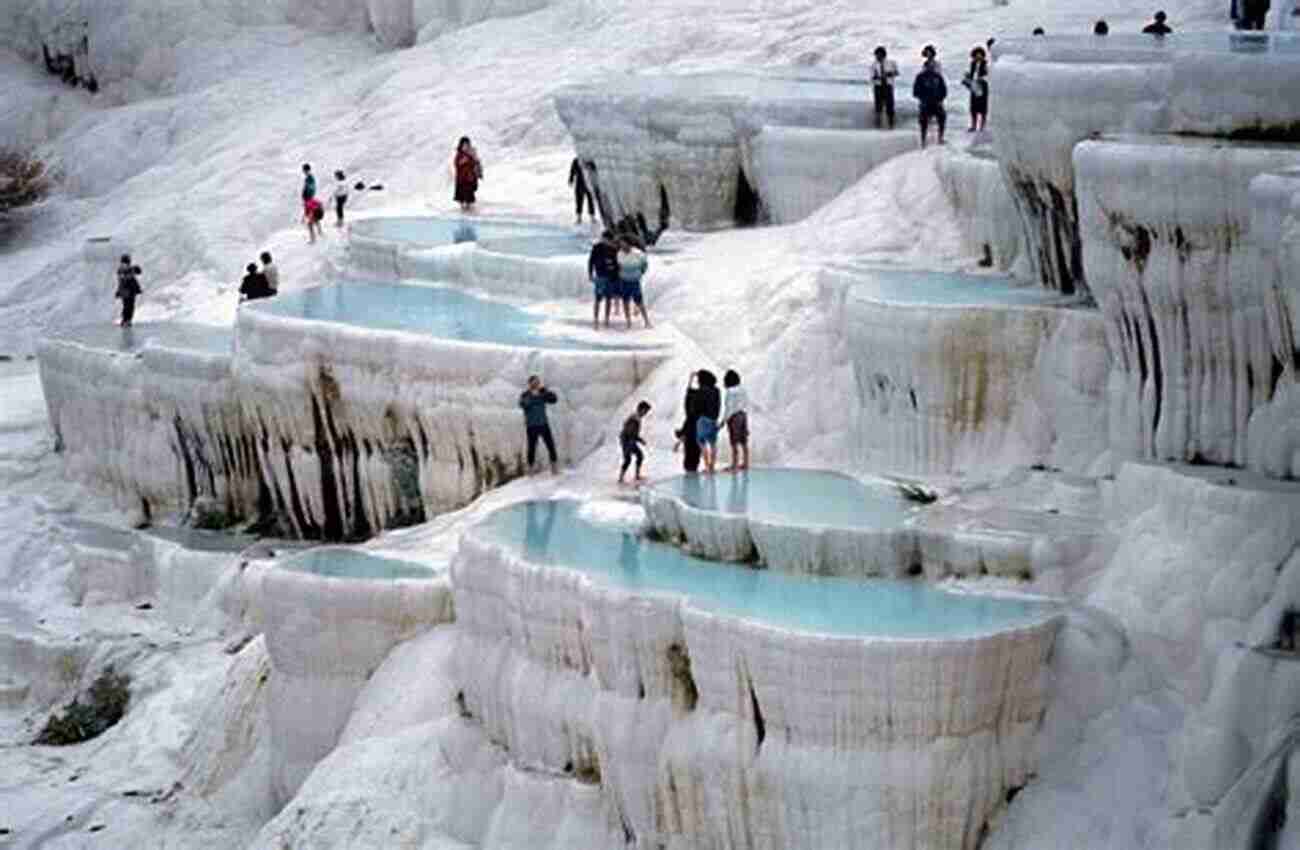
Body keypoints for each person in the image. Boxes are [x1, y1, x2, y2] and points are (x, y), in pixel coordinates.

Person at [518, 375, 559, 475]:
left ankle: (554, 467)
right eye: (534, 382)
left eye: (537, 382)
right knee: (531, 447)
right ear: (530, 384)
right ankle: (530, 468)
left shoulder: (543, 393)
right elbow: (523, 404)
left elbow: (554, 400)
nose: (536, 384)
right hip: (532, 426)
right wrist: (534, 396)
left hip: (543, 424)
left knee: (550, 445)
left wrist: (545, 392)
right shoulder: (525, 394)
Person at [587, 230, 620, 330]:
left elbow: (617, 264)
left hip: (611, 277)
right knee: (598, 299)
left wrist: (617, 277)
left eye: (606, 239)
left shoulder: (614, 249)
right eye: (603, 238)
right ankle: (596, 320)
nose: (604, 240)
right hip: (600, 276)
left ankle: (606, 319)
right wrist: (590, 274)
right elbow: (591, 261)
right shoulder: (596, 247)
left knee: (609, 299)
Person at [617, 238, 652, 329]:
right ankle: (628, 322)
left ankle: (647, 321)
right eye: (621, 244)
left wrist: (640, 273)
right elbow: (619, 265)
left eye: (623, 243)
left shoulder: (638, 253)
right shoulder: (619, 253)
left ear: (629, 244)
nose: (622, 245)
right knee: (625, 301)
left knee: (639, 301)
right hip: (624, 280)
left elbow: (645, 264)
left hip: (634, 281)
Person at [912, 60, 948, 148]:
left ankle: (940, 138)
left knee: (942, 118)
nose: (930, 68)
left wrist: (941, 99)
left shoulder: (938, 76)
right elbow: (915, 91)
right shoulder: (920, 77)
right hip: (925, 103)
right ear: (925, 67)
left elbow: (944, 90)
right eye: (929, 66)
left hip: (937, 102)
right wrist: (922, 99)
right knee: (923, 122)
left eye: (932, 66)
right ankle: (923, 140)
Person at [721, 369, 749, 472]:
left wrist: (723, 421)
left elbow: (729, 408)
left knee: (734, 441)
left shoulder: (730, 391)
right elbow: (746, 402)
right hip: (743, 415)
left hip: (734, 417)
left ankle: (734, 466)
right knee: (744, 440)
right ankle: (745, 463)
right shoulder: (742, 389)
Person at [675, 372, 703, 473]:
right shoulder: (697, 413)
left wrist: (691, 379)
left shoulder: (690, 413)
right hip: (695, 431)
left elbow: (688, 393)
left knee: (690, 451)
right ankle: (692, 468)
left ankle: (690, 468)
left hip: (691, 431)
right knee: (694, 451)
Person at [618, 400, 652, 484]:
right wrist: (639, 440)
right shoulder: (634, 418)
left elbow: (632, 432)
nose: (646, 413)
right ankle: (621, 478)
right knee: (628, 459)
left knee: (639, 456)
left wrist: (639, 440)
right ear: (641, 409)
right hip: (627, 441)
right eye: (646, 411)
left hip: (630, 440)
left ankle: (636, 475)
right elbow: (630, 432)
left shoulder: (636, 417)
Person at [694, 369, 721, 474]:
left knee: (702, 443)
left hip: (703, 419)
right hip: (713, 419)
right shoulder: (716, 390)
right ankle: (712, 466)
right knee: (713, 444)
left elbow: (696, 406)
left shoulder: (701, 390)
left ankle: (707, 467)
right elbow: (718, 405)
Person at [869, 46, 899, 129]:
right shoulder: (874, 65)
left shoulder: (891, 63)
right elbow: (872, 77)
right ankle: (878, 125)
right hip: (878, 86)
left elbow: (896, 72)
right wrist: (878, 76)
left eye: (879, 55)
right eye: (876, 55)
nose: (877, 57)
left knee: (890, 106)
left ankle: (891, 124)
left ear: (883, 55)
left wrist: (889, 74)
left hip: (888, 86)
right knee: (878, 107)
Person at [963, 46, 990, 132]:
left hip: (983, 86)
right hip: (974, 86)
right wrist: (967, 77)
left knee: (983, 107)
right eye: (976, 55)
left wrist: (982, 78)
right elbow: (971, 74)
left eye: (980, 55)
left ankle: (982, 126)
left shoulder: (986, 64)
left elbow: (988, 75)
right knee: (973, 107)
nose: (978, 56)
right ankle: (973, 125)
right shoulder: (972, 64)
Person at [453, 137, 482, 212]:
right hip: (461, 180)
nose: (465, 147)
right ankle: (463, 209)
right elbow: (457, 164)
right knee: (462, 198)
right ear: (461, 146)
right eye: (464, 145)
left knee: (469, 198)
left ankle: (468, 209)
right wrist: (464, 160)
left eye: (467, 145)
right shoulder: (459, 154)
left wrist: (475, 157)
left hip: (470, 179)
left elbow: (477, 163)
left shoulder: (472, 154)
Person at [115, 254, 142, 327]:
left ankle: (126, 320)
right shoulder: (124, 269)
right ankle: (126, 320)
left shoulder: (123, 269)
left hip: (126, 290)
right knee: (129, 305)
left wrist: (133, 270)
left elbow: (138, 271)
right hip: (128, 290)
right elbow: (125, 278)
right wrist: (132, 271)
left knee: (127, 305)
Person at [569, 158, 594, 225]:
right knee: (579, 200)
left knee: (590, 200)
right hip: (580, 183)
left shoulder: (589, 161)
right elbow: (572, 171)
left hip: (588, 183)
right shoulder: (576, 160)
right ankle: (579, 217)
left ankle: (592, 217)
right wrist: (571, 179)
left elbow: (594, 170)